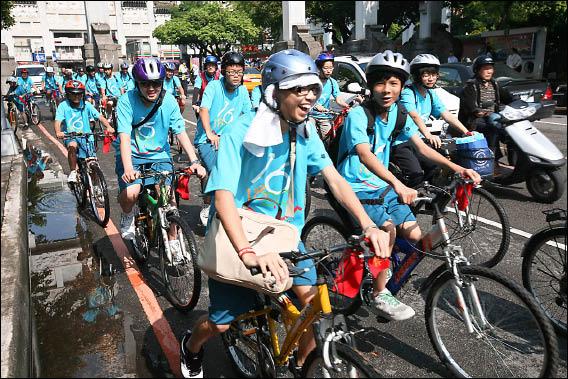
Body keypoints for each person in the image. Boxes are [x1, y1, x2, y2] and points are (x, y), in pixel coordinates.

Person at [179, 48, 390, 379]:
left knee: (314, 310)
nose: (308, 97)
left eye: (313, 89)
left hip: (285, 236)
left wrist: (368, 225)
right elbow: (222, 197)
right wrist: (248, 253)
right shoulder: (241, 131)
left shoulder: (304, 130)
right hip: (242, 236)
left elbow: (333, 178)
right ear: (273, 91)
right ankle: (191, 345)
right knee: (221, 324)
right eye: (298, 89)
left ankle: (304, 366)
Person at [336, 50, 481, 321]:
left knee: (417, 240)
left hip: (382, 184)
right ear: (371, 85)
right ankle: (380, 294)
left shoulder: (398, 114)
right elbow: (365, 155)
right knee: (387, 232)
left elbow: (421, 148)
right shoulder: (358, 115)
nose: (387, 90)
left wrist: (458, 168)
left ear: (402, 86)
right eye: (380, 83)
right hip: (356, 185)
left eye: (393, 83)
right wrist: (397, 183)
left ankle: (381, 266)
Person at [114, 58, 205, 244]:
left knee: (168, 198)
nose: (151, 88)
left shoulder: (169, 100)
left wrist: (194, 161)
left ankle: (173, 243)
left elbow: (180, 132)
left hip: (159, 156)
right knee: (132, 193)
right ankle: (127, 214)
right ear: (136, 83)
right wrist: (129, 168)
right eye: (145, 84)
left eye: (156, 83)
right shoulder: (126, 101)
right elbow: (124, 137)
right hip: (132, 156)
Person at [393, 54, 473, 188]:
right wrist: (428, 135)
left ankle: (433, 205)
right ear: (417, 76)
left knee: (439, 167)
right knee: (416, 174)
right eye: (426, 74)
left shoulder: (431, 94)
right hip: (402, 141)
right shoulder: (408, 93)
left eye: (434, 74)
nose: (431, 78)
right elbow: (414, 116)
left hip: (421, 140)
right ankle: (406, 205)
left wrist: (466, 131)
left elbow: (446, 114)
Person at [193, 51, 251, 225]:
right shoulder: (214, 87)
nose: (236, 76)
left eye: (239, 72)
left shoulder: (242, 91)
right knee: (220, 175)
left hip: (230, 141)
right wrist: (210, 133)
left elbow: (248, 114)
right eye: (232, 72)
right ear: (224, 71)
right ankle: (210, 213)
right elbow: (204, 110)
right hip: (207, 140)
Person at [54, 80, 114, 184]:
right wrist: (58, 132)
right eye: (73, 94)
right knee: (72, 146)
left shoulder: (87, 105)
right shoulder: (63, 106)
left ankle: (95, 187)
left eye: (79, 94)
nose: (76, 96)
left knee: (93, 163)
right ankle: (73, 171)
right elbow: (58, 120)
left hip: (87, 136)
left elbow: (100, 117)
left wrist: (108, 126)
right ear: (68, 94)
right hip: (70, 135)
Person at [459, 54, 504, 173]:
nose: (489, 71)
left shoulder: (494, 83)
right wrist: (486, 114)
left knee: (506, 127)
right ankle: (492, 160)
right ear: (477, 70)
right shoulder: (471, 85)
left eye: (491, 68)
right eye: (485, 68)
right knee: (493, 129)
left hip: (492, 117)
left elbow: (505, 98)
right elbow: (472, 109)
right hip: (474, 121)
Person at [308, 52, 352, 139]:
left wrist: (346, 106)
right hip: (310, 115)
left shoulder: (332, 82)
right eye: (326, 68)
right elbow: (308, 98)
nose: (329, 71)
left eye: (331, 68)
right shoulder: (313, 82)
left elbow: (338, 99)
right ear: (319, 68)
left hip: (325, 116)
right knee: (309, 133)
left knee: (329, 137)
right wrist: (316, 106)